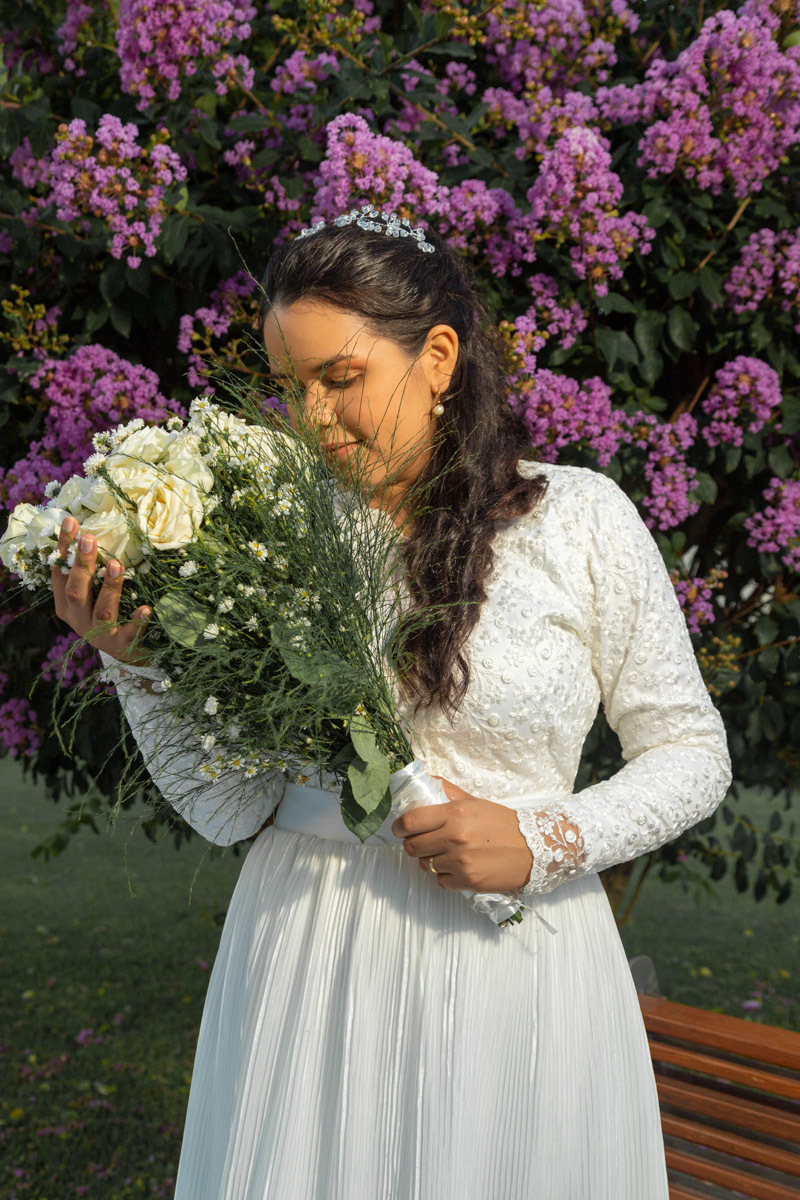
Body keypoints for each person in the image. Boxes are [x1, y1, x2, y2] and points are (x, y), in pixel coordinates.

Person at [52, 206, 732, 1200]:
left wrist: (546, 836)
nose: (314, 419)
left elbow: (690, 752)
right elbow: (225, 807)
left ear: (439, 357)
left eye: (341, 378)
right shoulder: (261, 542)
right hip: (308, 963)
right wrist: (138, 664)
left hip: (519, 968)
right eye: (292, 388)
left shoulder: (581, 520)